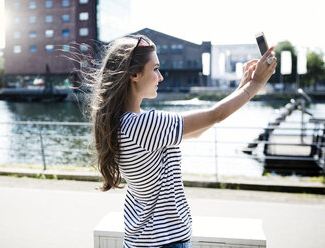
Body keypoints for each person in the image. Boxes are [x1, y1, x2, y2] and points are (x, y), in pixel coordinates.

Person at [89, 34, 276, 248]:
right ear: (134, 74)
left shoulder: (124, 124)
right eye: (155, 68)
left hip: (144, 240)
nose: (160, 77)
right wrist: (257, 84)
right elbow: (214, 115)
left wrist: (243, 86)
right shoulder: (144, 125)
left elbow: (197, 130)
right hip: (164, 241)